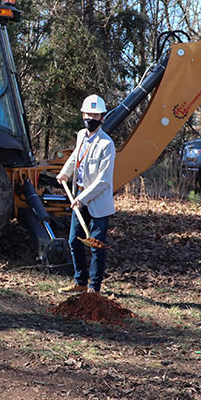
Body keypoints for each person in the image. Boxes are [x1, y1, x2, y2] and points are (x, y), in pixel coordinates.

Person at [56, 94, 116, 294]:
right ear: (82, 114)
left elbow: (103, 180)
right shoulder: (81, 134)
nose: (91, 118)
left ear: (103, 118)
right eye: (88, 114)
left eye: (96, 115)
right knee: (75, 240)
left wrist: (82, 199)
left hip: (97, 200)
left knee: (97, 246)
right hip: (79, 197)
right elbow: (76, 155)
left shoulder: (107, 144)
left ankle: (94, 288)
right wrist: (65, 172)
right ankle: (80, 282)